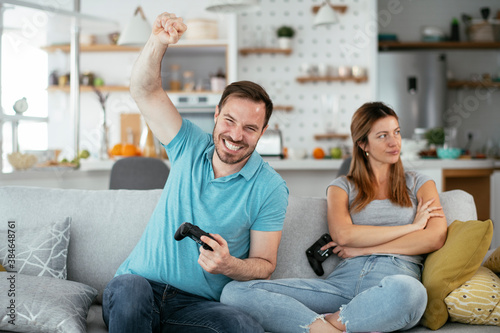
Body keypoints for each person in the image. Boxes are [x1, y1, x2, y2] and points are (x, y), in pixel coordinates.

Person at [102, 12, 289, 333]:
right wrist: (158, 42)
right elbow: (144, 91)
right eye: (229, 120)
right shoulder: (187, 143)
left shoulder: (270, 187)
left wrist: (231, 265)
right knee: (131, 293)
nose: (235, 135)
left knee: (242, 327)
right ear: (216, 115)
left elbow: (265, 265)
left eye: (249, 127)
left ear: (263, 131)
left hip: (194, 305)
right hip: (137, 287)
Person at [221, 101, 448, 333]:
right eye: (382, 136)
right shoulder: (341, 187)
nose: (394, 142)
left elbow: (435, 237)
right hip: (341, 286)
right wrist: (412, 227)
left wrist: (363, 249)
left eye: (397, 132)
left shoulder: (420, 182)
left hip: (393, 283)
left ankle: (332, 323)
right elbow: (343, 234)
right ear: (362, 144)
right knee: (234, 292)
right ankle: (331, 328)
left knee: (412, 292)